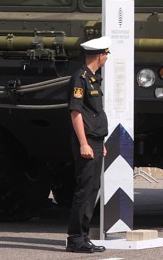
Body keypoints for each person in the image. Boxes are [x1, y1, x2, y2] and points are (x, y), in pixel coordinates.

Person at [67, 37, 110, 253]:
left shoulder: (93, 79)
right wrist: (84, 143)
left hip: (95, 141)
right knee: (84, 190)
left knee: (92, 189)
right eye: (106, 55)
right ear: (100, 56)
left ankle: (83, 236)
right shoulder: (80, 78)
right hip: (86, 143)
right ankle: (75, 238)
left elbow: (93, 114)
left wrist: (98, 142)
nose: (106, 59)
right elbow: (76, 113)